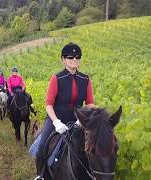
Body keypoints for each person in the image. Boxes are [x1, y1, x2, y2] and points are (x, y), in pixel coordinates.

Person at [34, 42, 95, 179]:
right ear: (63, 59)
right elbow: (49, 104)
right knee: (42, 146)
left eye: (77, 57)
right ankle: (41, 175)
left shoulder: (85, 79)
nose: (74, 60)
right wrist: (56, 122)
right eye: (70, 57)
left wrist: (81, 119)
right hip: (57, 118)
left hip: (78, 120)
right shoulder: (56, 78)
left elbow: (90, 103)